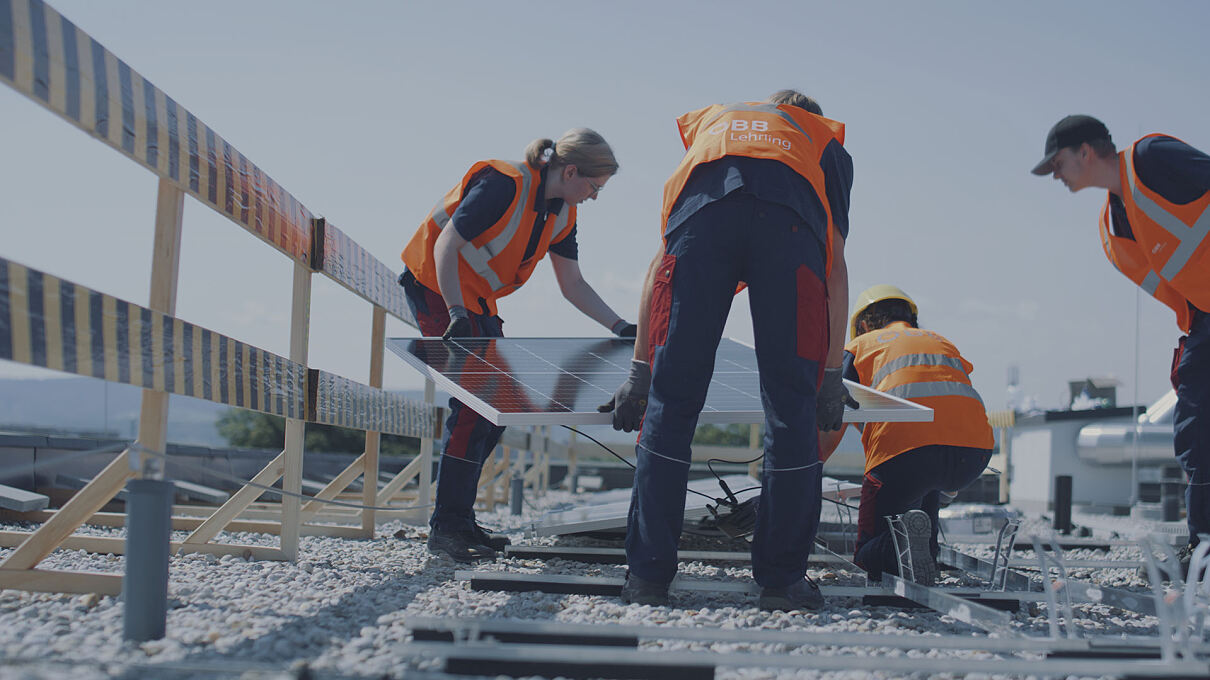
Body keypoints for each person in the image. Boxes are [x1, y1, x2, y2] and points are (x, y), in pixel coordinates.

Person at [600, 90, 856, 610]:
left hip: (702, 225)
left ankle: (648, 579)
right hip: (789, 231)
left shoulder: (715, 130)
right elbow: (834, 266)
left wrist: (642, 369)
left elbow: (660, 264)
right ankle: (782, 583)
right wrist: (829, 375)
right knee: (791, 408)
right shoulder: (822, 141)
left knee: (671, 403)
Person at [400, 128, 635, 562]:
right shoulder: (502, 184)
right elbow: (448, 244)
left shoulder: (563, 213)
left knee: (501, 408)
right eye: (594, 186)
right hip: (437, 288)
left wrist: (621, 326)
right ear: (569, 170)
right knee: (474, 404)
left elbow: (573, 283)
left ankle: (460, 518)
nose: (594, 196)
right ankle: (446, 527)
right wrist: (455, 312)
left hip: (475, 301)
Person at [1032, 115, 1210, 573]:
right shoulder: (1113, 224)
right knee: (1195, 430)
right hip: (1205, 322)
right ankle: (1206, 547)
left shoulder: (1152, 159)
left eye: (1057, 163)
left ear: (1085, 152)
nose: (1056, 175)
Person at [820, 286, 993, 585]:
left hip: (905, 456)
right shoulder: (941, 342)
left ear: (862, 324)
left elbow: (833, 416)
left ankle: (891, 549)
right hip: (974, 455)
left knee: (868, 555)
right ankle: (925, 554)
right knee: (925, 498)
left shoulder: (862, 346)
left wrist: (808, 467)